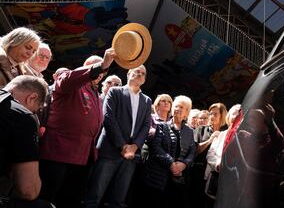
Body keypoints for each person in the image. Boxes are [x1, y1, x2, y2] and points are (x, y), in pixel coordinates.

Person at [38, 48, 116, 208]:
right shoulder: (70, 81)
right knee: (45, 200)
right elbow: (67, 79)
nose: (100, 73)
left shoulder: (95, 93)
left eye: (103, 71)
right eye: (96, 68)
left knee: (69, 201)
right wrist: (101, 64)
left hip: (82, 157)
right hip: (58, 153)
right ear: (85, 67)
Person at [84, 65, 152, 208]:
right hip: (110, 150)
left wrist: (135, 146)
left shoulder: (147, 100)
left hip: (131, 155)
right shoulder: (115, 92)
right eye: (137, 71)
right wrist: (122, 145)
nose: (140, 74)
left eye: (143, 73)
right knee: (94, 196)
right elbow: (108, 118)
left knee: (118, 200)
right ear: (128, 73)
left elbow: (146, 126)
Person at [0, 75, 51, 208]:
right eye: (35, 110)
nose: (34, 114)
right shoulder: (23, 116)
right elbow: (29, 191)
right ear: (32, 98)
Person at [144, 95, 196, 208]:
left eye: (181, 107)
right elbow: (156, 148)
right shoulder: (161, 126)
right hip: (159, 176)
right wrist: (171, 163)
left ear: (187, 112)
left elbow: (192, 152)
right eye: (176, 106)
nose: (177, 109)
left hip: (178, 178)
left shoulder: (190, 131)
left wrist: (183, 164)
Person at [191, 103, 228, 207]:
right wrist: (210, 140)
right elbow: (195, 150)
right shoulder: (201, 130)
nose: (212, 116)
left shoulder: (227, 132)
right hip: (199, 171)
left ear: (222, 115)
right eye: (210, 113)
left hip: (217, 174)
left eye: (215, 114)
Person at [204, 104, 242, 205]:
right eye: (235, 113)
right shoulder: (221, 135)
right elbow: (210, 154)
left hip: (236, 183)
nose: (238, 115)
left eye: (240, 113)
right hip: (216, 182)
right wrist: (217, 164)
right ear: (228, 117)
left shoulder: (246, 136)